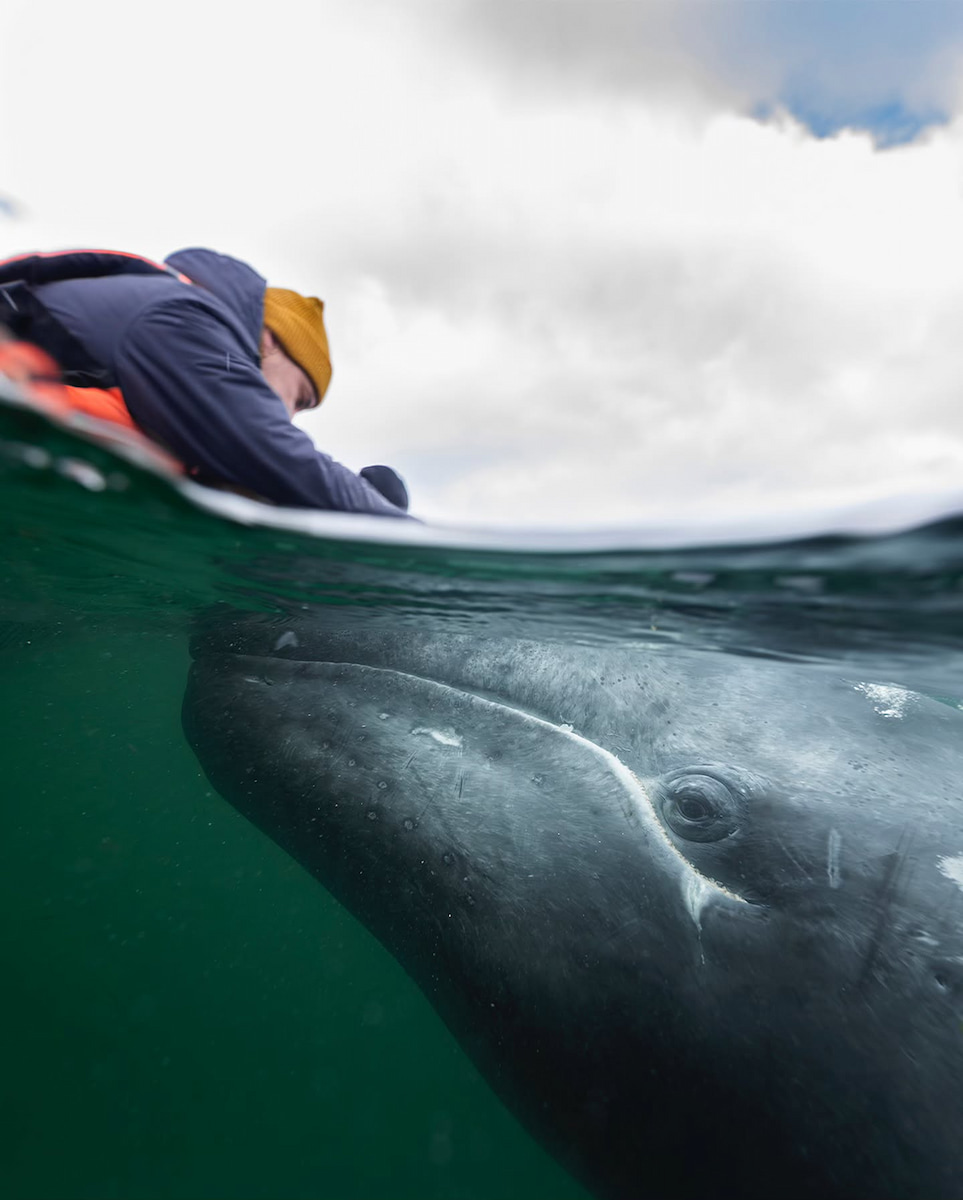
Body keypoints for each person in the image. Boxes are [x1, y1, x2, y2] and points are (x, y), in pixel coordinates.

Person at [0, 247, 410, 515]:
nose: (291, 416)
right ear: (268, 341)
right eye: (300, 398)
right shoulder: (185, 318)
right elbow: (274, 453)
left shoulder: (177, 362)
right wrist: (398, 528)